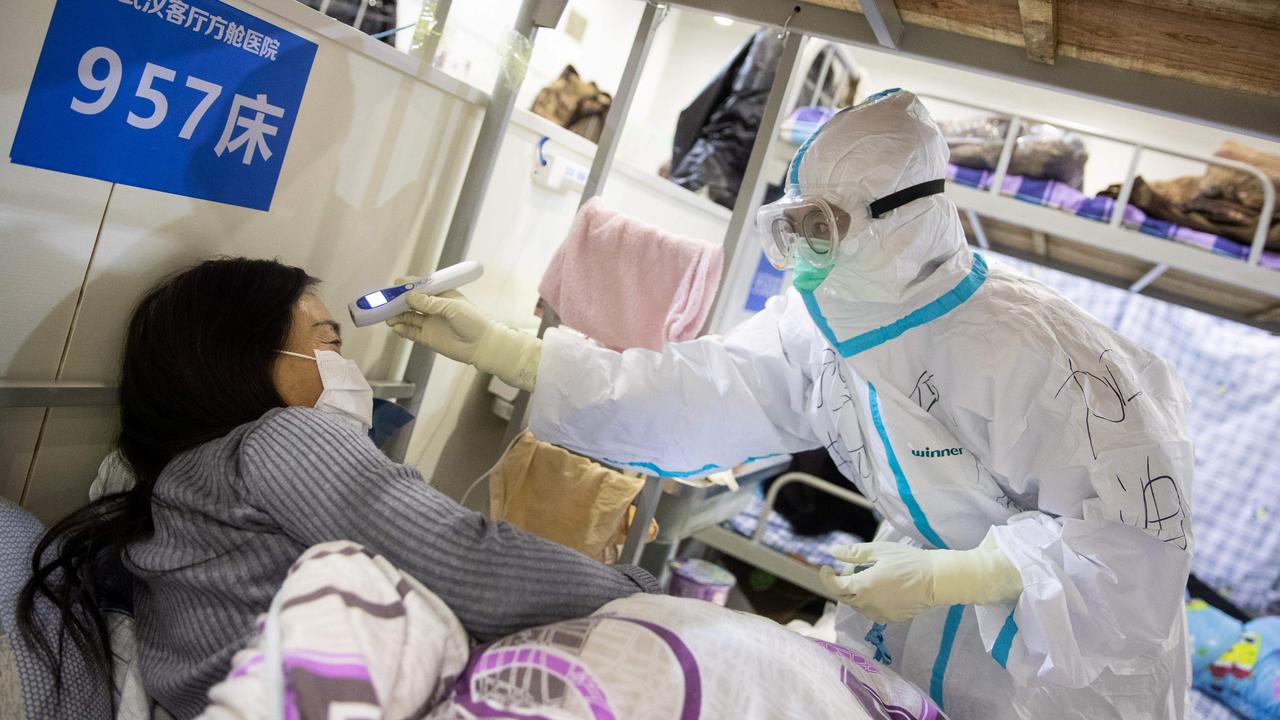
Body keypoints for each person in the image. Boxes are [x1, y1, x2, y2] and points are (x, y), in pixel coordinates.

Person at [390, 90, 1195, 719]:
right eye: (796, 220)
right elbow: (702, 395)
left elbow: (1135, 541)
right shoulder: (822, 320)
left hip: (1061, 674)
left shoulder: (1033, 347)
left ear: (903, 214)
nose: (804, 246)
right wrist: (514, 353)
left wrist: (967, 572)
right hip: (914, 639)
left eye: (824, 223)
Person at [18, 258, 657, 719]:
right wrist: (645, 600)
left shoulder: (168, 493)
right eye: (329, 343)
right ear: (245, 360)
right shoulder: (283, 437)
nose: (347, 369)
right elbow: (466, 558)